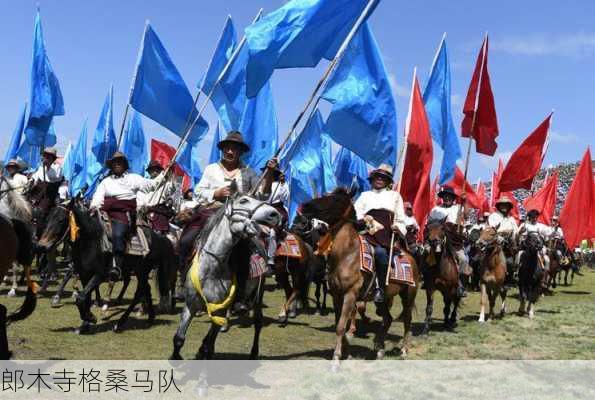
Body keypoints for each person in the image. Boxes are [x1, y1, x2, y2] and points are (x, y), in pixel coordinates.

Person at [179, 131, 277, 281]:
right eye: (227, 148)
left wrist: (269, 173)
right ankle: (184, 279)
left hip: (238, 217)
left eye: (234, 149)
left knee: (248, 250)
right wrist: (216, 193)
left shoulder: (248, 173)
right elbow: (198, 192)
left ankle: (241, 294)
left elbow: (263, 195)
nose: (230, 151)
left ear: (240, 152)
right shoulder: (211, 169)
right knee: (185, 241)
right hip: (210, 213)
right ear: (223, 149)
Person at [90, 152, 168, 280]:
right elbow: (98, 197)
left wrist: (163, 175)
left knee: (118, 234)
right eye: (114, 162)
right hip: (104, 212)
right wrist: (94, 207)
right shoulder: (106, 181)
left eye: (119, 162)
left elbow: (151, 185)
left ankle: (117, 267)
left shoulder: (133, 178)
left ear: (124, 165)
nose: (117, 164)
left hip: (123, 214)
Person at [354, 164, 406, 305]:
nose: (379, 180)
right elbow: (356, 212)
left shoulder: (395, 196)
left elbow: (401, 219)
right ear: (372, 179)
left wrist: (398, 226)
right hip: (365, 232)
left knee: (380, 253)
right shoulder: (364, 195)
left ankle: (380, 289)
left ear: (388, 181)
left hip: (384, 236)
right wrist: (363, 219)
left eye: (383, 178)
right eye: (377, 177)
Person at [427, 186, 469, 298]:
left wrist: (465, 202)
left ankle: (460, 285)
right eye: (445, 196)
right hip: (439, 238)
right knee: (426, 255)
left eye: (449, 196)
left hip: (454, 240)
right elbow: (429, 224)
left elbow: (466, 215)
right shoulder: (435, 210)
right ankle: (427, 280)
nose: (447, 198)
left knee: (463, 260)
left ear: (453, 198)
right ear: (442, 198)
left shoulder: (458, 208)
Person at [137, 160, 177, 234]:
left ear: (160, 171)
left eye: (157, 170)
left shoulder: (165, 184)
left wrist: (172, 171)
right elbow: (139, 200)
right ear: (149, 172)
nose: (154, 172)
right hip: (143, 216)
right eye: (152, 170)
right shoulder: (145, 184)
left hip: (158, 216)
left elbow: (172, 188)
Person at [488, 196, 519, 285]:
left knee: (511, 262)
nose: (504, 207)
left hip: (508, 244)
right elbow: (492, 229)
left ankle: (508, 279)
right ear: (499, 206)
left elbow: (516, 231)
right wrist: (504, 232)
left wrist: (516, 234)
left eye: (506, 205)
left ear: (509, 207)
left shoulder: (511, 219)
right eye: (502, 205)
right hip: (495, 242)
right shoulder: (493, 216)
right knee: (480, 258)